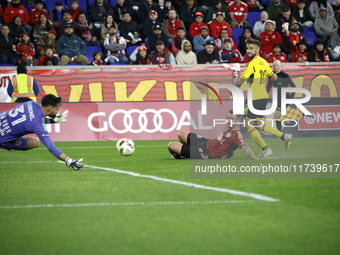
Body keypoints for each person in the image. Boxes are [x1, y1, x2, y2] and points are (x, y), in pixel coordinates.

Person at [235, 38, 292, 157]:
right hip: (263, 97)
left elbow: (240, 82)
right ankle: (284, 136)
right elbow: (275, 78)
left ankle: (265, 149)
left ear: (258, 49)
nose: (248, 51)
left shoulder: (252, 64)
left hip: (254, 97)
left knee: (247, 124)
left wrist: (234, 87)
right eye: (247, 48)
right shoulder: (264, 62)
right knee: (257, 123)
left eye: (251, 48)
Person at [0, 94, 84, 171]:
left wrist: (52, 120)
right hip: (2, 138)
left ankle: (10, 144)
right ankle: (9, 145)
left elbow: (30, 118)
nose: (57, 112)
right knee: (35, 142)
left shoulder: (31, 103)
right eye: (56, 109)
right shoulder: (38, 125)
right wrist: (68, 160)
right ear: (50, 109)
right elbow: (51, 147)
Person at [167, 110, 258, 159]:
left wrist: (253, 157)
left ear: (237, 121)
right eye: (228, 118)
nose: (228, 120)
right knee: (181, 134)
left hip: (204, 153)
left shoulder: (237, 136)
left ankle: (181, 155)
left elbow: (245, 147)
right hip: (205, 143)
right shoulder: (230, 131)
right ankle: (185, 150)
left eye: (231, 119)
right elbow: (229, 149)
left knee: (171, 145)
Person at [266, 60, 296, 131]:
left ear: (280, 66)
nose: (275, 67)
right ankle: (280, 134)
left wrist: (291, 98)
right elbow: (269, 86)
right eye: (274, 65)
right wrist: (265, 95)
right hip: (278, 98)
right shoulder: (271, 75)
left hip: (285, 98)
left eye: (277, 65)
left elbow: (293, 87)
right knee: (279, 116)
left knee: (277, 116)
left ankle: (280, 134)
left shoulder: (285, 76)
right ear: (272, 67)